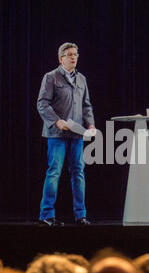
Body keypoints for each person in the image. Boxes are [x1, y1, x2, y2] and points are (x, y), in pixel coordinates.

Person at [37, 42, 95, 226]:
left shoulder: (82, 79)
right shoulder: (51, 77)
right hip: (57, 134)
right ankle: (47, 215)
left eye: (76, 54)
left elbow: (86, 105)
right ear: (60, 58)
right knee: (54, 172)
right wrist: (56, 120)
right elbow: (42, 104)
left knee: (78, 173)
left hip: (76, 134)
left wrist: (91, 124)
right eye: (69, 54)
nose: (73, 57)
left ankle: (81, 215)